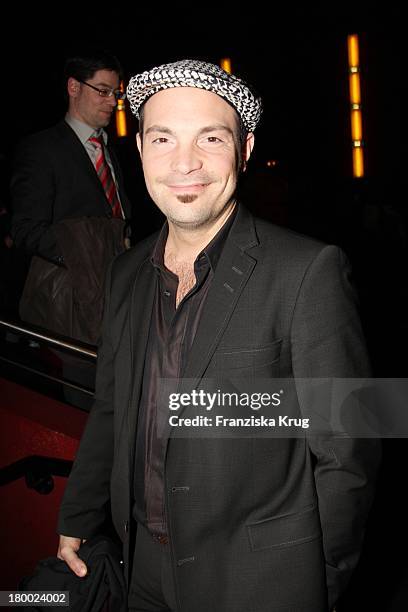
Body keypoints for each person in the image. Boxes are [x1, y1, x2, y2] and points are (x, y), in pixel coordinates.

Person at [57, 60, 380, 612]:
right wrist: (80, 516)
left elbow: (352, 444)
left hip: (259, 581)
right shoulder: (126, 272)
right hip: (140, 569)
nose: (185, 162)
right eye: (163, 138)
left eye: (211, 137)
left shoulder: (310, 269)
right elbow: (112, 408)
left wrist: (316, 581)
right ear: (138, 151)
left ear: (245, 148)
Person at [10, 48, 132, 345]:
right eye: (102, 91)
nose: (112, 101)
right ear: (74, 87)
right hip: (68, 306)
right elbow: (25, 229)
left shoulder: (110, 150)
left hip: (115, 297)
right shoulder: (42, 149)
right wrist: (85, 257)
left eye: (115, 93)